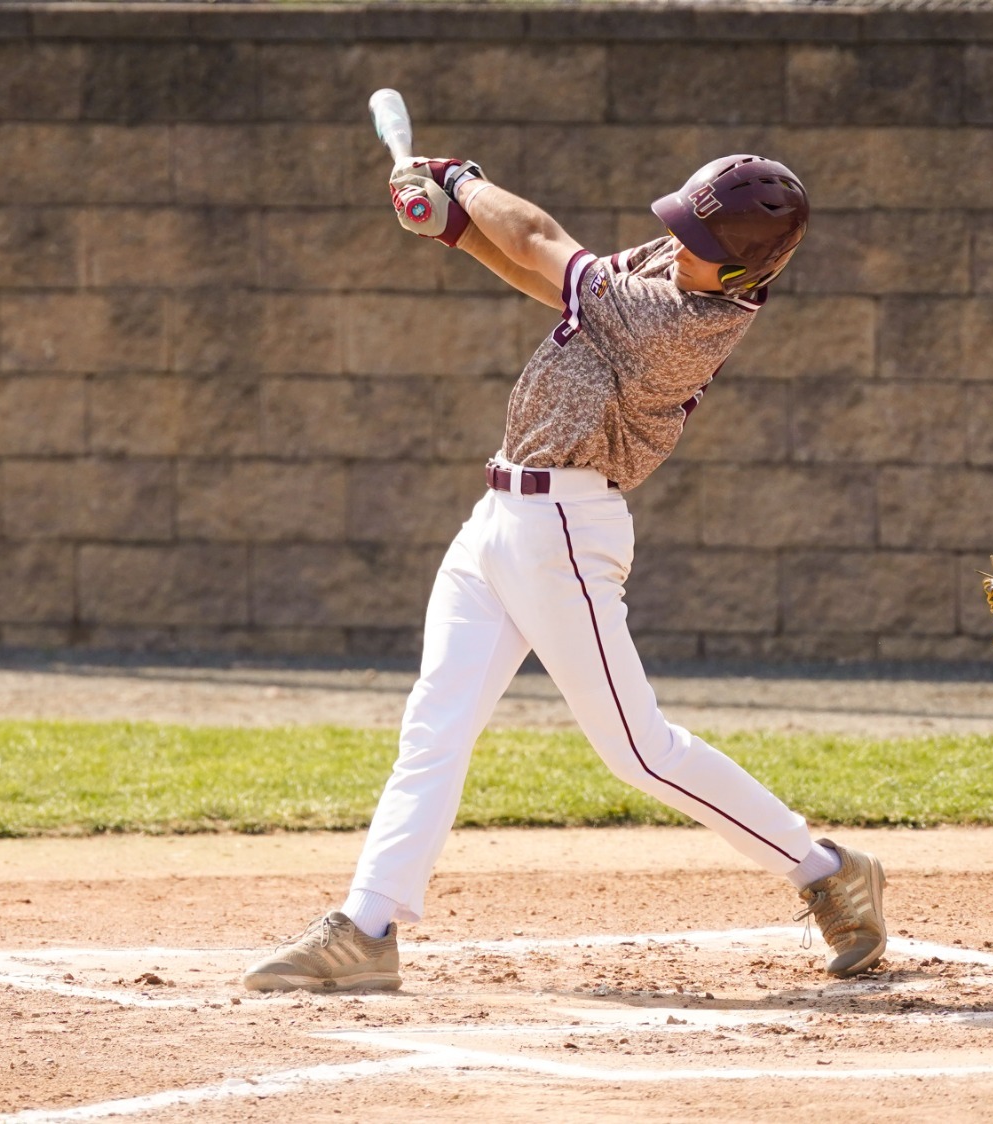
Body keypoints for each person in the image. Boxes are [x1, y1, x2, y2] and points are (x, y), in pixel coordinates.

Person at [239, 154, 888, 992]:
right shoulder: (672, 267)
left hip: (567, 534)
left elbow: (542, 239)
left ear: (740, 267)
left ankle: (824, 868)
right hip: (499, 517)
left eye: (693, 236)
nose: (671, 241)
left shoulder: (681, 316)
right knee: (434, 725)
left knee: (639, 753)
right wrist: (456, 229)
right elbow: (547, 276)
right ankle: (367, 927)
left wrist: (459, 179)